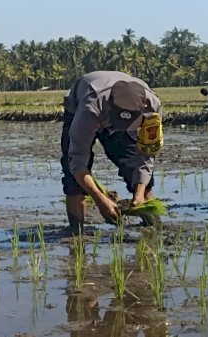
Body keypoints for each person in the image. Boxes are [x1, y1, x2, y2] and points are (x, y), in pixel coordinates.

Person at [61, 71, 162, 235]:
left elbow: (146, 155)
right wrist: (100, 200)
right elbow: (77, 162)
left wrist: (139, 193)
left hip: (116, 113)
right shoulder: (90, 108)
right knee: (73, 178)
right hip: (83, 107)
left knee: (134, 166)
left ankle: (154, 227)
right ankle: (75, 233)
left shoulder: (152, 108)